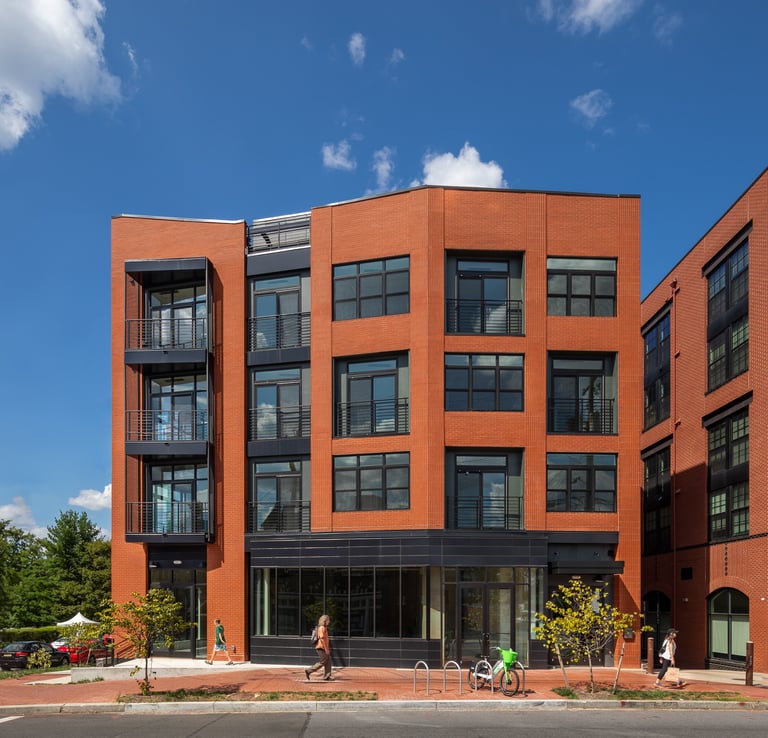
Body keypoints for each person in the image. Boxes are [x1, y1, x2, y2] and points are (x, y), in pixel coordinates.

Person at [305, 614, 333, 681]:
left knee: (328, 661)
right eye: (328, 620)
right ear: (325, 620)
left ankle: (327, 676)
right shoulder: (322, 628)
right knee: (323, 662)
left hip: (324, 647)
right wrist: (326, 649)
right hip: (321, 648)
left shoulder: (325, 628)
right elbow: (322, 639)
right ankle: (308, 671)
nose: (329, 621)